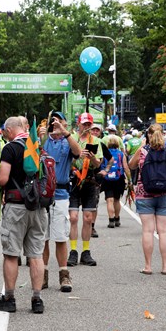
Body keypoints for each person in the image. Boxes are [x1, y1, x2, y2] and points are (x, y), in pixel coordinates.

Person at [0, 116, 48, 314]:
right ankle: (37, 299)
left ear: (9, 130)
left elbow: (4, 178)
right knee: (36, 255)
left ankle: (10, 298)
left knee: (11, 254)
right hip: (38, 208)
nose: (4, 134)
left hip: (16, 207)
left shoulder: (10, 148)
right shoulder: (37, 147)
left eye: (5, 131)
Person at [39, 111, 81, 292]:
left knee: (60, 237)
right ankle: (42, 274)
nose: (55, 124)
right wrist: (41, 136)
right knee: (43, 238)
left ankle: (64, 275)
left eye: (59, 120)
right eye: (53, 121)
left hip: (61, 194)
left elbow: (78, 152)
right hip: (42, 194)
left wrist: (65, 131)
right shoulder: (43, 140)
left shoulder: (67, 141)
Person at [129, 124, 166, 275]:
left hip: (145, 193)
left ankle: (148, 266)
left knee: (148, 231)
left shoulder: (142, 150)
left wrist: (142, 147)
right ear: (163, 135)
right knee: (164, 231)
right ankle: (165, 267)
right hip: (165, 193)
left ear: (148, 135)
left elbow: (131, 165)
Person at [67, 113, 104, 267]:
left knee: (88, 218)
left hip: (90, 181)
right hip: (74, 180)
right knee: (74, 217)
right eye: (84, 124)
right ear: (78, 124)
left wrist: (93, 158)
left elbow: (98, 164)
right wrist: (77, 156)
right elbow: (65, 163)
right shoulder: (72, 139)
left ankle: (86, 252)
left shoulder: (96, 141)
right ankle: (73, 251)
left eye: (89, 124)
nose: (87, 127)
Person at [101, 136, 129, 229]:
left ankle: (111, 220)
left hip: (107, 178)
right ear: (117, 144)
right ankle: (117, 219)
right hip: (119, 179)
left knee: (109, 200)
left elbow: (102, 165)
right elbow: (125, 167)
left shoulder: (105, 153)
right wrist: (129, 180)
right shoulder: (121, 154)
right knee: (117, 200)